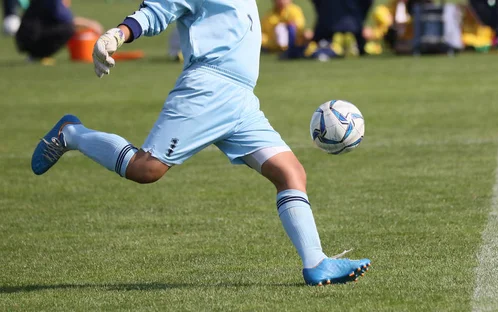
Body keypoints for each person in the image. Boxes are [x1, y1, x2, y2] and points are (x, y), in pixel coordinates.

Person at [30, 0, 371, 286]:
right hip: (207, 89)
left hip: (241, 99)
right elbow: (157, 10)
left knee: (290, 172)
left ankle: (316, 262)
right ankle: (71, 134)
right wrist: (117, 34)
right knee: (146, 169)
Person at [15, 0, 103, 64]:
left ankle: (37, 55)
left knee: (66, 27)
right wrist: (91, 24)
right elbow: (68, 21)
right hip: (31, 38)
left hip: (26, 37)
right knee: (68, 29)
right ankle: (38, 55)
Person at [307, 0, 373, 58]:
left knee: (319, 45)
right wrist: (359, 21)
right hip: (353, 26)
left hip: (327, 25)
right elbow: (367, 3)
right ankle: (349, 46)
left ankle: (333, 47)